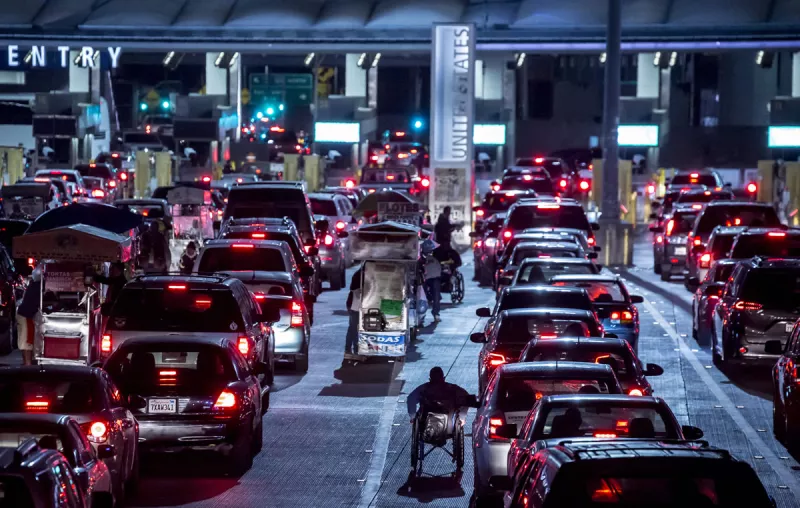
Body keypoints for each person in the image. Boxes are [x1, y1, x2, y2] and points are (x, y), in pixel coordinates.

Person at [407, 367, 477, 424]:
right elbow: (467, 398)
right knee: (467, 399)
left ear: (430, 378)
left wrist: (413, 417)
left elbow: (411, 398)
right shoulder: (452, 388)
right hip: (448, 424)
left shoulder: (424, 388)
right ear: (443, 378)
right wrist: (462, 417)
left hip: (425, 423)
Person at [17, 267, 42, 365]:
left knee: (24, 343)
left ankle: (26, 365)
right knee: (27, 343)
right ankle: (28, 366)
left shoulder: (33, 284)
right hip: (26, 316)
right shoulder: (38, 286)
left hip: (22, 314)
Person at [344, 265, 363, 360]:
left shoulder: (359, 273)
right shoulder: (360, 274)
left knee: (352, 328)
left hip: (354, 304)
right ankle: (355, 351)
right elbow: (355, 290)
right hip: (355, 305)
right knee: (354, 328)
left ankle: (348, 350)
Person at [422, 240, 442, 322]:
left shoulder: (436, 257)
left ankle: (436, 313)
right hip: (423, 279)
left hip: (434, 278)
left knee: (436, 295)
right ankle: (421, 315)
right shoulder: (421, 258)